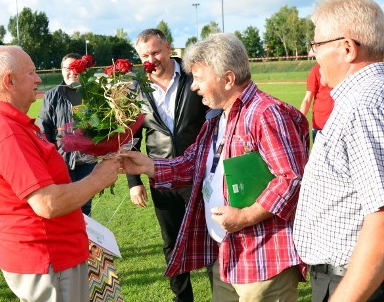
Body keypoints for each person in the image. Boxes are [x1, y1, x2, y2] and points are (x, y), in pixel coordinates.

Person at [121, 33, 309, 301]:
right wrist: (148, 165)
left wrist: (245, 217)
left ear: (228, 78)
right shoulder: (218, 117)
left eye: (199, 78)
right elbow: (192, 164)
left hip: (263, 258)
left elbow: (290, 180)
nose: (194, 87)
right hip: (228, 254)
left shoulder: (266, 113)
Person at [293, 0, 384, 302]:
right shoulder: (370, 97)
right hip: (362, 280)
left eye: (316, 45)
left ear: (346, 48)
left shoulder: (367, 104)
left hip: (359, 284)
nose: (313, 55)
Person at [0, 45, 121, 301]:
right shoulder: (8, 133)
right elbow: (47, 204)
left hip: (48, 256)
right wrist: (98, 178)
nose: (38, 79)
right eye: (31, 72)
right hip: (49, 259)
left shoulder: (9, 125)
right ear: (10, 81)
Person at [128, 28, 210, 302]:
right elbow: (132, 136)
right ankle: (182, 297)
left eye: (156, 51)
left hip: (198, 173)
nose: (151, 59)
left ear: (168, 47)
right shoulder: (136, 88)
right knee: (171, 241)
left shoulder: (193, 77)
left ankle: (220, 293)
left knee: (209, 236)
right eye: (144, 55)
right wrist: (134, 182)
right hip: (159, 175)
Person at [39, 53, 96, 216]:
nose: (72, 72)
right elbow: (44, 129)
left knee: (85, 206)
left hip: (88, 161)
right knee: (68, 206)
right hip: (63, 161)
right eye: (68, 68)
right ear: (62, 70)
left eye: (76, 67)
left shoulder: (93, 94)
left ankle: (85, 239)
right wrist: (52, 157)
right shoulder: (52, 95)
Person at [299, 63, 333, 141]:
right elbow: (307, 99)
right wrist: (299, 119)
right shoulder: (316, 70)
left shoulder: (345, 66)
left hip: (341, 124)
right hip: (320, 125)